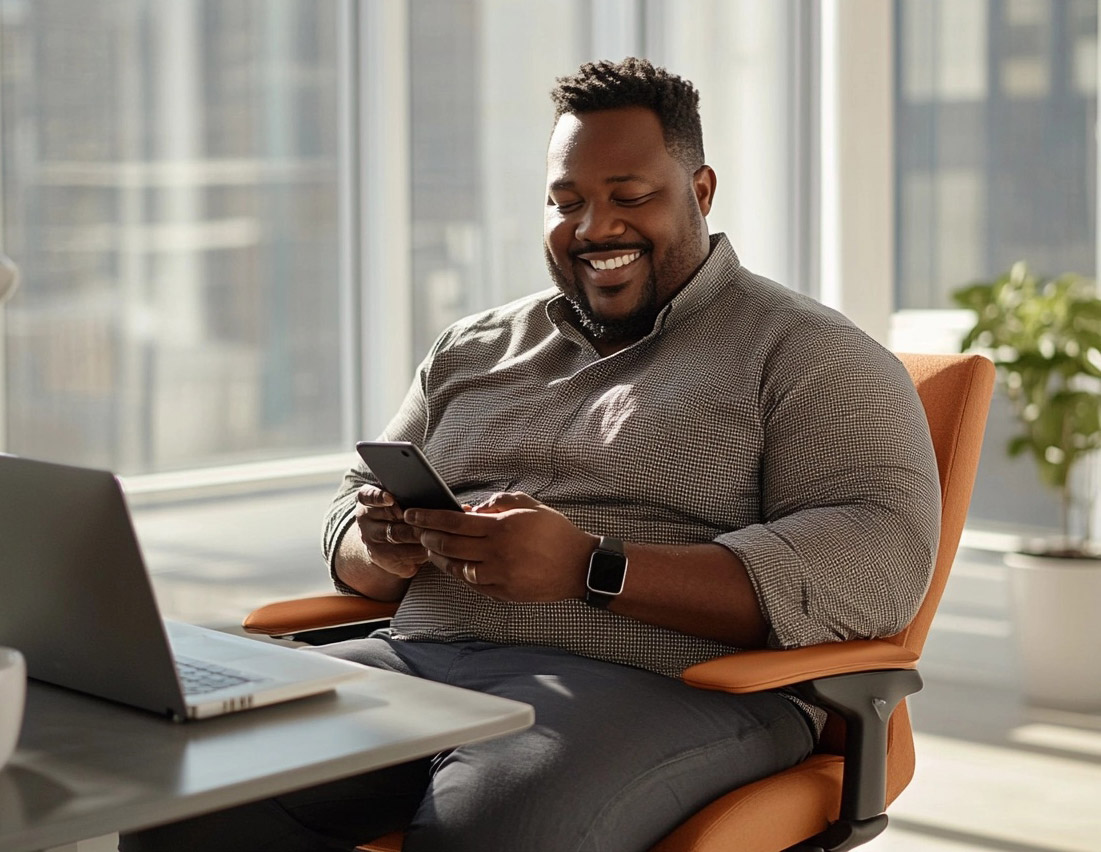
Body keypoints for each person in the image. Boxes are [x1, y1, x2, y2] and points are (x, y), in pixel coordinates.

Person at [120, 57, 940, 852]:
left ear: (699, 191)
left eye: (629, 197)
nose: (594, 228)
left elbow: (876, 561)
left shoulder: (809, 354)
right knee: (187, 796)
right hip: (418, 663)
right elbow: (352, 509)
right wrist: (379, 547)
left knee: (494, 829)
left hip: (666, 688)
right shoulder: (471, 348)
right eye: (566, 201)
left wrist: (592, 569)